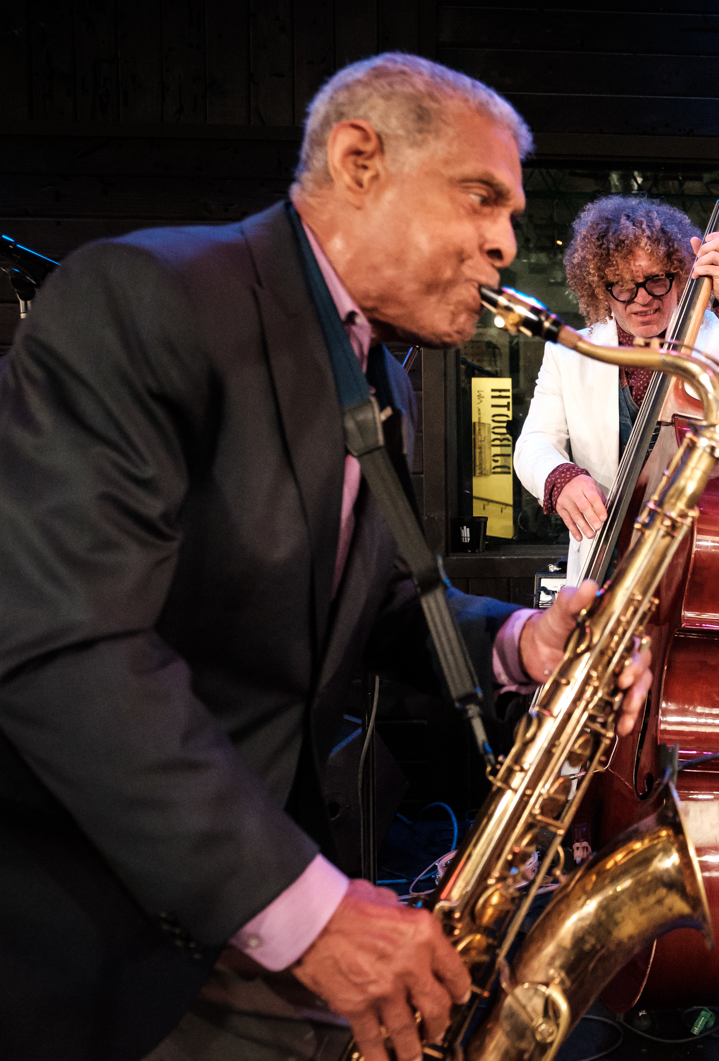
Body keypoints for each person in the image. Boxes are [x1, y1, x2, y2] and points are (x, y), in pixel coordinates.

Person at [0, 54, 651, 1061]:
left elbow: (371, 596)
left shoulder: (377, 367)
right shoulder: (147, 296)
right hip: (94, 931)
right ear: (358, 161)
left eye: (513, 215)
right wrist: (308, 912)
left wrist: (523, 641)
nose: (505, 243)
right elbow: (63, 645)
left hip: (247, 895)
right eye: (482, 198)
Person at [513, 194, 719, 582]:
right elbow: (533, 444)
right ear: (601, 288)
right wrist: (559, 477)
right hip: (604, 556)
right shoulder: (568, 351)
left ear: (680, 274)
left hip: (698, 553)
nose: (641, 298)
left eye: (656, 280)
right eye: (623, 286)